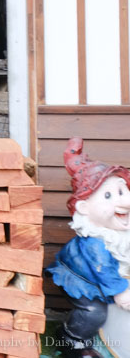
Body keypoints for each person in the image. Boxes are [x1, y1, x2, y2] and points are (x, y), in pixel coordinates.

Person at [47, 138, 130, 358]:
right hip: (81, 279)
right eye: (109, 196)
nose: (124, 202)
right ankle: (72, 340)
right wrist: (121, 292)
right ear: (84, 208)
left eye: (123, 192)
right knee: (93, 312)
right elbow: (105, 270)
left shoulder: (120, 233)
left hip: (109, 277)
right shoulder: (95, 243)